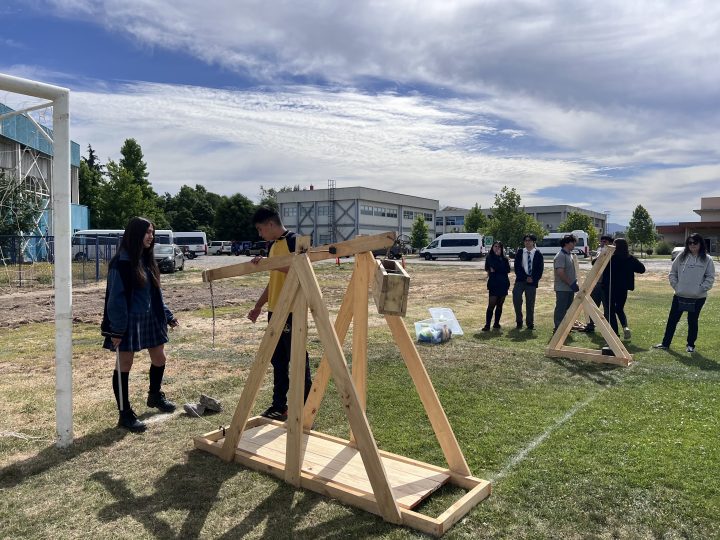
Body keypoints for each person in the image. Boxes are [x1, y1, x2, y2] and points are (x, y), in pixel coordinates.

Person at [101, 217, 179, 433]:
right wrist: (116, 329)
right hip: (127, 321)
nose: (150, 237)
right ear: (135, 235)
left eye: (152, 233)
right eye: (146, 233)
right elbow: (115, 299)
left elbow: (156, 294)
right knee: (125, 364)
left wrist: (167, 315)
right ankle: (124, 414)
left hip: (151, 318)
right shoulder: (121, 263)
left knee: (159, 358)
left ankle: (155, 396)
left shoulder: (148, 260)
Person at [247, 207, 312, 421]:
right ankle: (279, 406)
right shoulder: (273, 246)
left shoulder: (294, 241)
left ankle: (305, 406)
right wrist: (258, 306)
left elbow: (303, 269)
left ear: (270, 224)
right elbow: (273, 280)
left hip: (293, 310)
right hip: (275, 310)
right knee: (278, 361)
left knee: (298, 358)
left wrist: (270, 264)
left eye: (260, 229)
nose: (260, 234)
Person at [654, 233, 715, 353]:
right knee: (672, 320)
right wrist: (677, 287)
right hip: (679, 295)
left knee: (692, 321)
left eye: (695, 243)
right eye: (690, 243)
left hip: (698, 297)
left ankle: (690, 345)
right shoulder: (681, 256)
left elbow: (710, 277)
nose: (692, 245)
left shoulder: (707, 259)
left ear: (700, 244)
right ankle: (665, 343)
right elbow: (672, 273)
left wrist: (701, 289)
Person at [601, 238, 645, 338]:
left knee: (611, 311)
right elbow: (642, 269)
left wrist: (604, 253)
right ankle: (625, 327)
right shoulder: (630, 259)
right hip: (623, 289)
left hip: (610, 288)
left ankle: (615, 334)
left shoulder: (611, 258)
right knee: (619, 309)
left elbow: (594, 263)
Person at [581, 235, 614, 333]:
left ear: (610, 242)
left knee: (607, 307)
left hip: (607, 284)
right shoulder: (600, 250)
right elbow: (594, 263)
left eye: (605, 241)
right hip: (597, 283)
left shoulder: (612, 252)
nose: (602, 243)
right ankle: (591, 325)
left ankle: (609, 328)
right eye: (601, 241)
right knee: (593, 305)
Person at [512, 234, 544, 330]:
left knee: (530, 302)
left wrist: (533, 278)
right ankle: (519, 321)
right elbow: (517, 267)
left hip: (532, 282)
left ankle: (530, 323)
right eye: (525, 240)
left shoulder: (538, 254)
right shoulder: (520, 252)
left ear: (533, 242)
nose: (527, 242)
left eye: (529, 240)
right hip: (520, 280)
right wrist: (525, 277)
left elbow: (540, 269)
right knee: (516, 298)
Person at [553, 234, 580, 333]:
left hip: (569, 288)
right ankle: (558, 328)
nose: (574, 245)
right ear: (566, 243)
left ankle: (564, 328)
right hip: (562, 288)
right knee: (561, 308)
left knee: (567, 308)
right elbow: (560, 272)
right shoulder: (561, 255)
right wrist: (571, 284)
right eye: (573, 242)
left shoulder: (569, 255)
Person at [482, 241, 511, 331]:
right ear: (492, 247)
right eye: (495, 246)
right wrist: (497, 268)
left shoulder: (505, 259)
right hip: (494, 283)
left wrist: (497, 266)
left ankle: (496, 323)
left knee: (500, 305)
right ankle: (487, 324)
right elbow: (488, 267)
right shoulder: (489, 257)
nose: (497, 248)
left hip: (503, 283)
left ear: (502, 249)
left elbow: (507, 270)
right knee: (491, 304)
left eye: (499, 247)